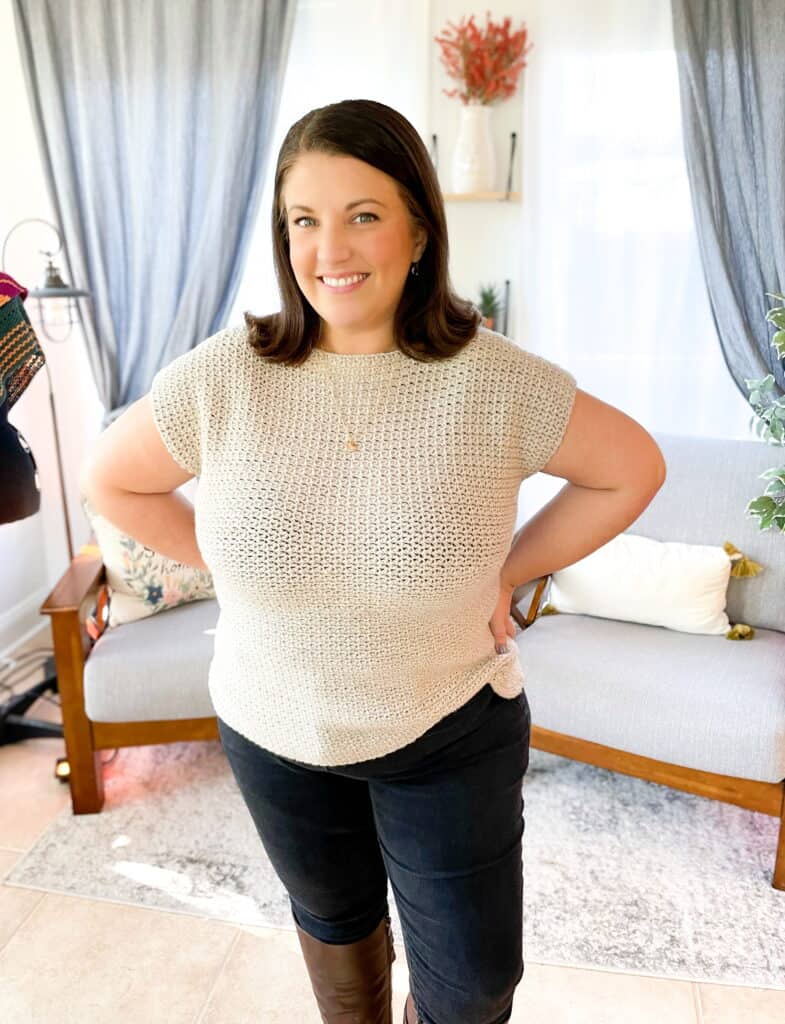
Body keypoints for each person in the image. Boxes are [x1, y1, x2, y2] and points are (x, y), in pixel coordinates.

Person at [81, 99, 666, 1024]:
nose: (330, 249)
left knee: (471, 987)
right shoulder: (223, 376)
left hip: (445, 730)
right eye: (302, 221)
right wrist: (231, 570)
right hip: (274, 727)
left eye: (362, 214)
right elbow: (113, 482)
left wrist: (507, 572)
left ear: (419, 229)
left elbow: (632, 469)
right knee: (337, 941)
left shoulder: (492, 378)